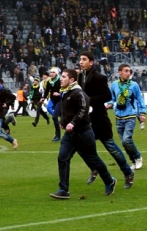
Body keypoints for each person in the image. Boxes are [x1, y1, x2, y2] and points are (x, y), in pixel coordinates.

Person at [50, 69, 117, 199]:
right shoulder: (65, 93)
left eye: (63, 77)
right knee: (62, 158)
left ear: (72, 80)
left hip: (83, 133)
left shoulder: (79, 93)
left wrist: (73, 123)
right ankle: (64, 189)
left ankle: (109, 181)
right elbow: (68, 111)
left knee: (94, 159)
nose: (61, 79)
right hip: (70, 135)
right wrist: (63, 122)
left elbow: (83, 110)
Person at [78, 51, 134, 188]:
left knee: (111, 147)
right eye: (80, 59)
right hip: (86, 119)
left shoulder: (99, 77)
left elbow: (107, 96)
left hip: (99, 119)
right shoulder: (80, 76)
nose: (81, 62)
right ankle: (94, 167)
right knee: (81, 146)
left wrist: (89, 100)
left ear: (91, 62)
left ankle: (128, 172)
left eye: (84, 59)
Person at [106, 63, 146, 172]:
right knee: (123, 143)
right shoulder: (114, 84)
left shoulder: (134, 85)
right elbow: (112, 98)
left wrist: (142, 113)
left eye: (129, 71)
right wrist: (109, 104)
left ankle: (138, 157)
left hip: (130, 115)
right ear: (119, 72)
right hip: (118, 117)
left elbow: (140, 99)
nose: (128, 73)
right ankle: (133, 161)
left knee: (127, 139)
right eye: (126, 71)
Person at [40, 67, 61, 141]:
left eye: (53, 72)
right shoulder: (50, 81)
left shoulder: (60, 81)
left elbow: (65, 90)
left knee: (55, 117)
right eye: (51, 72)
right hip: (53, 100)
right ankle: (58, 135)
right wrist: (43, 98)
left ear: (57, 73)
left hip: (60, 100)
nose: (51, 74)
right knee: (60, 117)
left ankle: (58, 135)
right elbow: (47, 90)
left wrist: (59, 94)